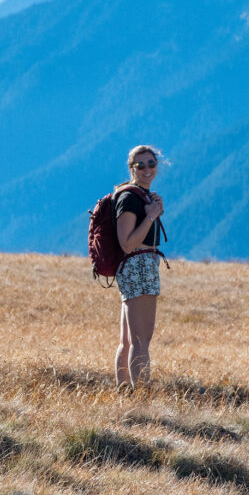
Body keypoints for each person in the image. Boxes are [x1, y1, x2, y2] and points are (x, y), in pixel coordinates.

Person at [114, 145, 165, 390]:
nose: (147, 169)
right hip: (139, 267)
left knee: (128, 340)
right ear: (131, 168)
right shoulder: (129, 198)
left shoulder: (139, 196)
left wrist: (153, 211)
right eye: (140, 165)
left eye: (151, 164)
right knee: (141, 340)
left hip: (133, 268)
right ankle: (142, 399)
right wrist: (151, 216)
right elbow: (127, 243)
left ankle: (125, 394)